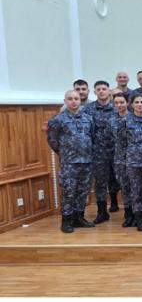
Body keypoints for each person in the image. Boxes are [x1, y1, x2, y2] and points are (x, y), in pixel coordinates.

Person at [47, 90, 96, 233]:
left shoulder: (88, 118)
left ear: (80, 101)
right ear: (65, 101)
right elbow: (52, 140)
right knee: (69, 192)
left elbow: (92, 137)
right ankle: (67, 221)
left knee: (83, 191)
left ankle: (79, 218)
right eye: (70, 99)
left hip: (86, 161)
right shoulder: (58, 119)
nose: (73, 101)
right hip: (69, 163)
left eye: (76, 98)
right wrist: (64, 153)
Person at [119, 93, 142, 232]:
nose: (139, 104)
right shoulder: (125, 121)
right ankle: (139, 218)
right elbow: (122, 142)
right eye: (137, 102)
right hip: (133, 162)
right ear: (132, 104)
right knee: (136, 191)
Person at [83, 80, 120, 223]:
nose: (101, 91)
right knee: (100, 181)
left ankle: (120, 205)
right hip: (98, 151)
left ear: (109, 91)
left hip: (117, 150)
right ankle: (102, 211)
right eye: (98, 89)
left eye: (104, 89)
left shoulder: (117, 106)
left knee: (119, 179)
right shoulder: (88, 109)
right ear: (94, 92)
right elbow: (86, 130)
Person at [110, 93, 133, 227]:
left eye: (122, 102)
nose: (119, 105)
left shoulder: (134, 118)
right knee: (125, 187)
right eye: (116, 103)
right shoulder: (112, 120)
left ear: (127, 103)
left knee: (135, 187)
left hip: (134, 158)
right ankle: (128, 214)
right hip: (119, 159)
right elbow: (110, 138)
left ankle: (138, 214)